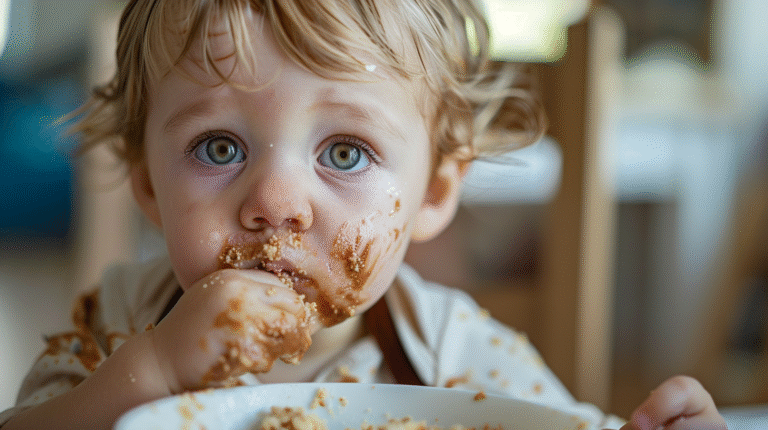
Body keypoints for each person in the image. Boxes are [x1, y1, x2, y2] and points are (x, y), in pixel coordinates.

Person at [0, 1, 727, 429]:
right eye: (218, 146)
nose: (275, 205)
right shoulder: (118, 327)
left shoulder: (456, 357)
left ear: (434, 192)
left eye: (345, 153)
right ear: (149, 187)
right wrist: (152, 370)